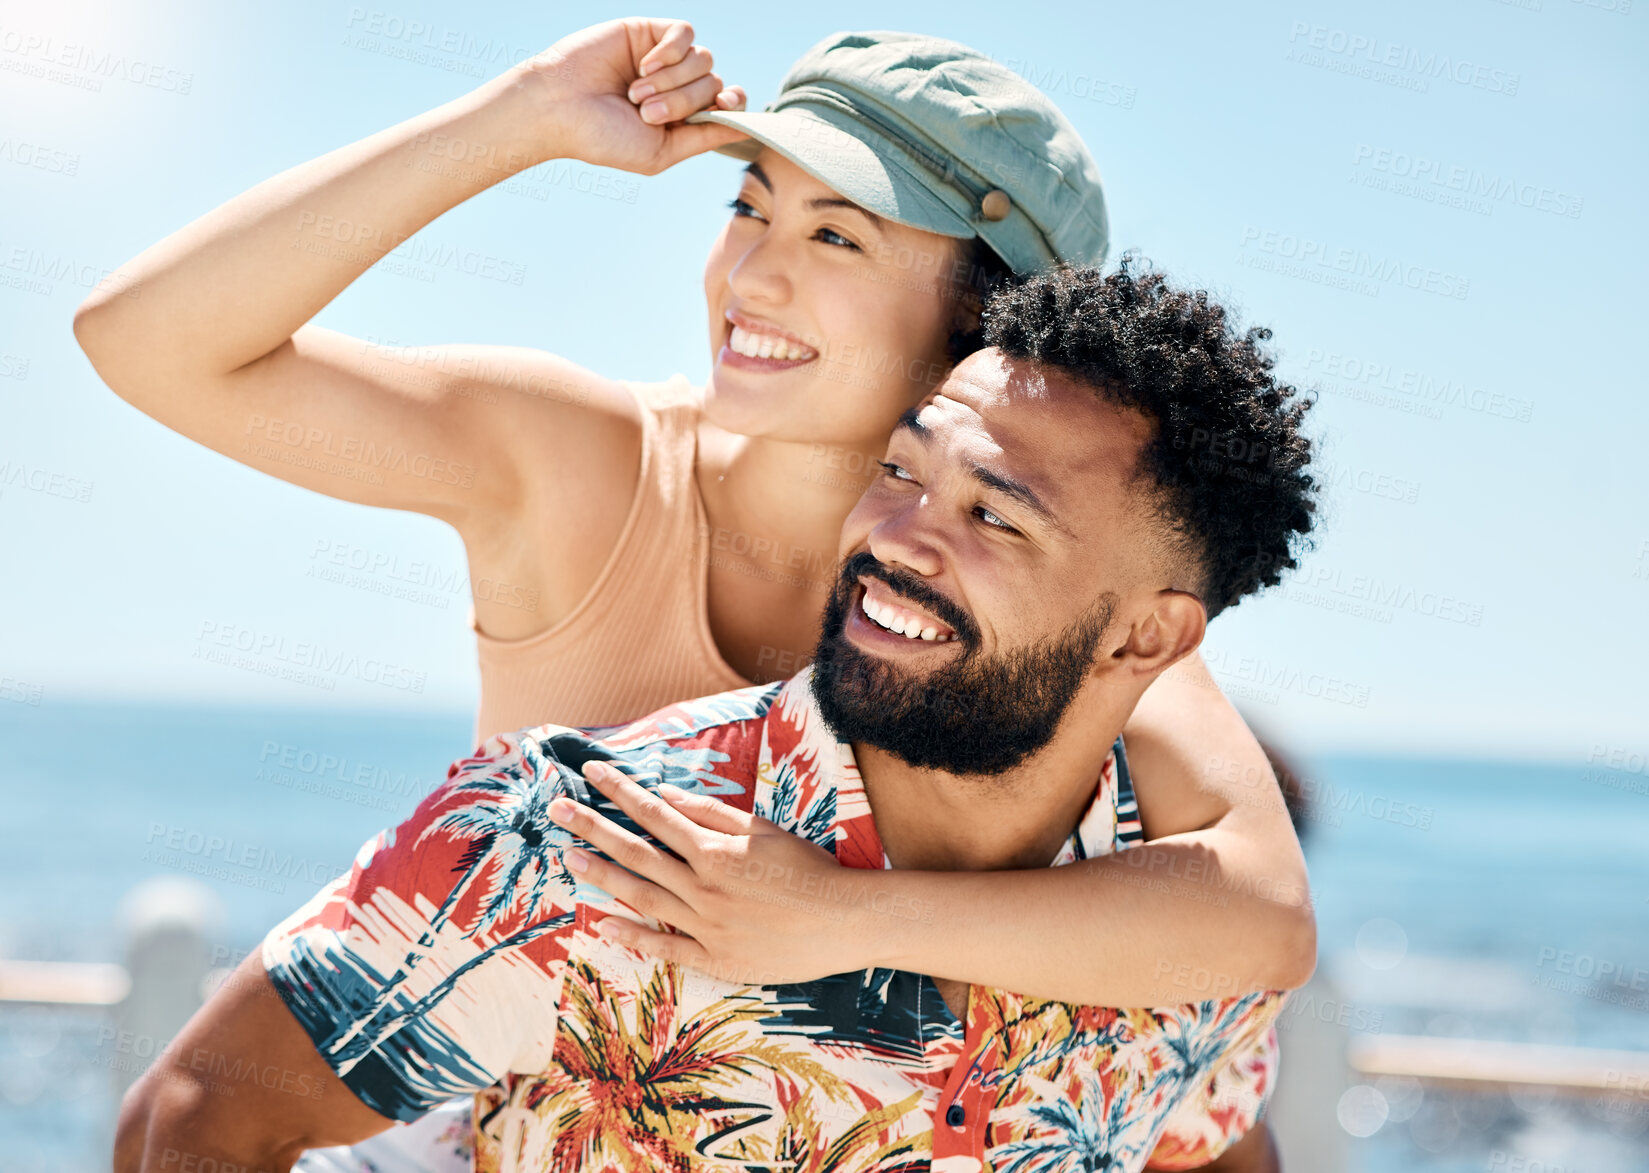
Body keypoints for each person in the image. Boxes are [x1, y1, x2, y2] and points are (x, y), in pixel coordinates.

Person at [73, 20, 1314, 1169]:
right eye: (748, 206)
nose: (751, 277)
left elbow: (1253, 922)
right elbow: (151, 343)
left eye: (835, 236)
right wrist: (515, 121)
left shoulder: (1029, 603)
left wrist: (834, 919)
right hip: (468, 1094)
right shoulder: (582, 469)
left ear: (996, 325)